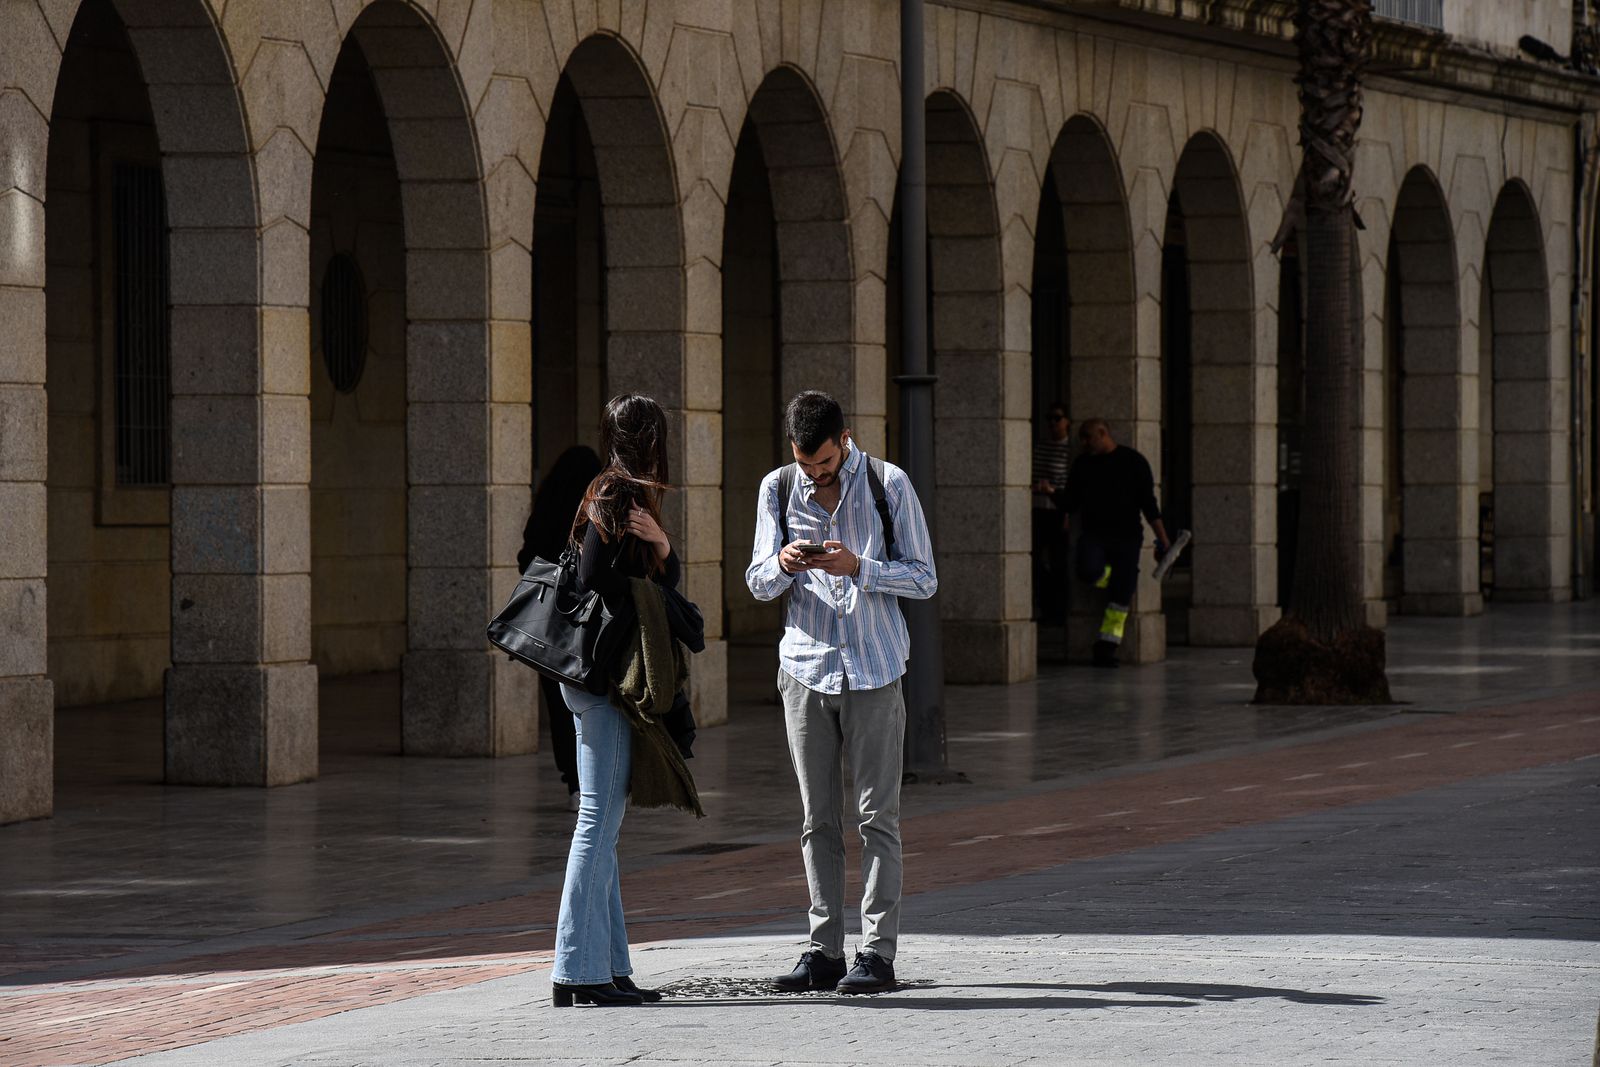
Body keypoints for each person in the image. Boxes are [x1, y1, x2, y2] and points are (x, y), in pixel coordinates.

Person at [746, 391, 938, 995]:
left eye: (825, 463)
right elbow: (756, 582)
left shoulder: (889, 484)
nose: (815, 474)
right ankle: (823, 949)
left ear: (846, 440)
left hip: (875, 668)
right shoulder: (777, 488)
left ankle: (877, 953)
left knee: (877, 816)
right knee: (817, 818)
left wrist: (860, 567)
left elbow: (925, 579)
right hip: (806, 668)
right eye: (806, 464)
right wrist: (783, 564)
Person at [551, 394, 681, 1008]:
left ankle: (608, 965)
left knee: (604, 823)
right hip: (602, 679)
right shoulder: (613, 493)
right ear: (651, 441)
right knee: (597, 822)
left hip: (602, 679)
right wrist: (645, 575)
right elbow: (591, 580)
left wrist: (661, 545)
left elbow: (665, 583)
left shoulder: (626, 496)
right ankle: (576, 971)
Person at [519, 444, 603, 813]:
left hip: (549, 627)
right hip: (588, 624)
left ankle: (573, 781)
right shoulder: (593, 512)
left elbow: (526, 557)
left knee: (558, 706)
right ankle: (593, 778)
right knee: (590, 703)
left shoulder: (545, 509)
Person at [1060, 417, 1173, 669]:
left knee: (1121, 598)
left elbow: (1149, 505)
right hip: (1095, 535)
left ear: (1103, 433)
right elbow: (1070, 502)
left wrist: (1163, 538)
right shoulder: (1083, 464)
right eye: (1081, 439)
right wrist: (1051, 494)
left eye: (1088, 437)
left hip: (1127, 537)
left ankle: (1107, 646)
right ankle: (1114, 577)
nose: (1084, 443)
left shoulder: (1133, 462)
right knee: (1088, 570)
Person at [1031, 404, 1073, 625]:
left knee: (1059, 562)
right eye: (1049, 419)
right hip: (1039, 508)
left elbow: (1069, 485)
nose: (1053, 423)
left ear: (1067, 421)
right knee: (1037, 561)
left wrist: (1066, 512)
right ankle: (1046, 607)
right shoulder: (1041, 447)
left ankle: (1059, 611)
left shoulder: (1069, 450)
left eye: (1057, 418)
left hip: (1058, 510)